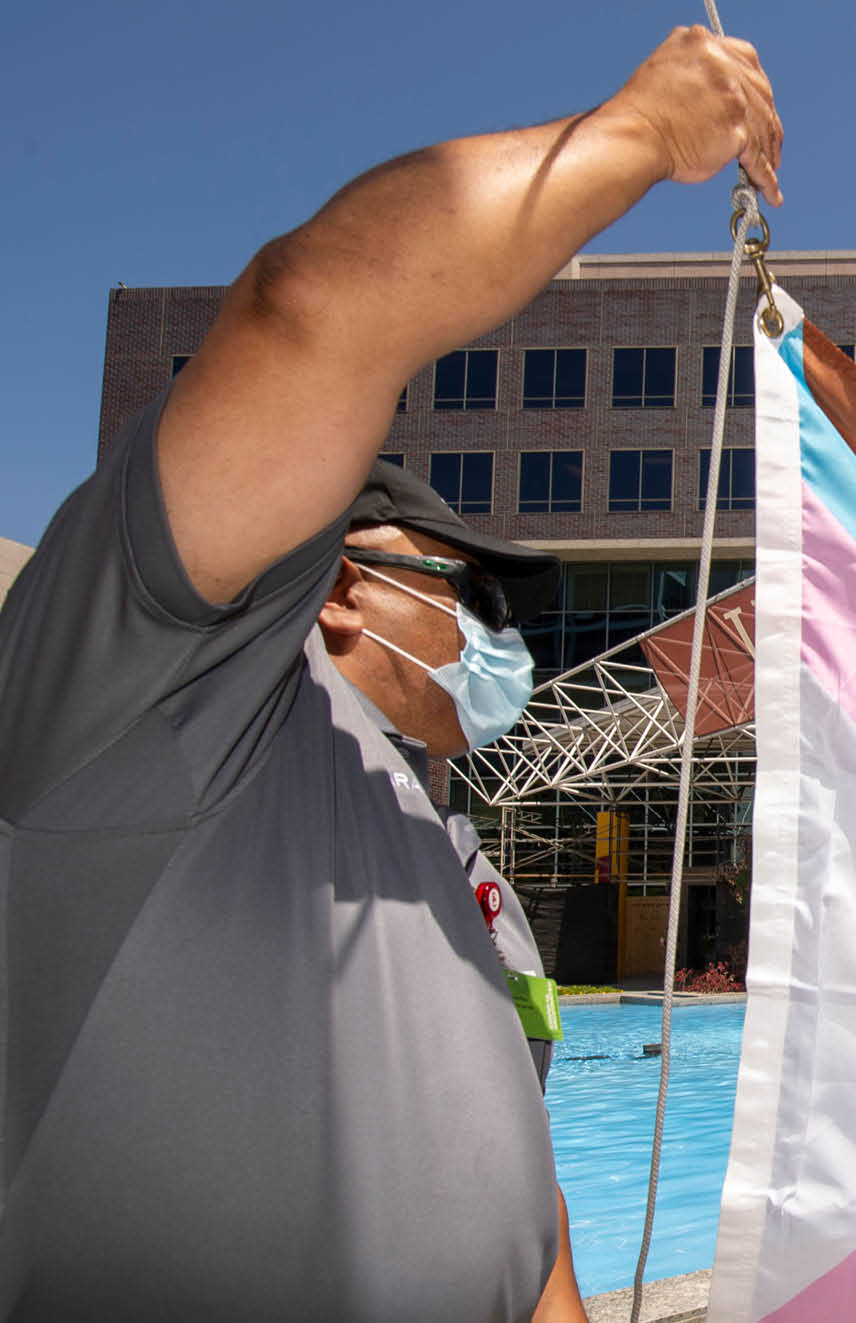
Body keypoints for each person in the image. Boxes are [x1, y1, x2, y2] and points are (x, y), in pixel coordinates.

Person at [0, 26, 781, 1321]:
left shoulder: (444, 855)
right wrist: (637, 137)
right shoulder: (153, 690)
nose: (493, 629)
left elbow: (522, 1205)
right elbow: (312, 307)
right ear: (343, 582)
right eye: (461, 585)